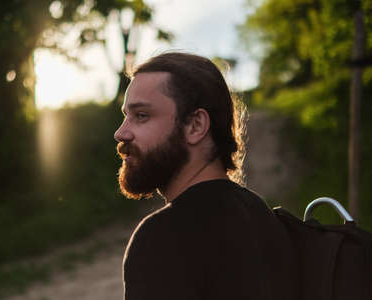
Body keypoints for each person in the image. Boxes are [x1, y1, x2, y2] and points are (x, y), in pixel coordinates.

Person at [114, 52, 298, 300]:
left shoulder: (161, 238)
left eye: (142, 116)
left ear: (195, 126)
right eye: (126, 116)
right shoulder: (262, 215)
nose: (121, 133)